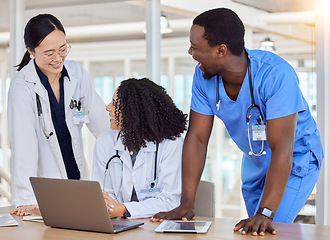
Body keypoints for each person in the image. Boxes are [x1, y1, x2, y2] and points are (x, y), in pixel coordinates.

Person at [151, 8, 323, 236]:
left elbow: (282, 147)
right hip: (254, 157)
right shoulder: (203, 77)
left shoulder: (276, 74)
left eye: (195, 46)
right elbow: (197, 139)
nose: (190, 52)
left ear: (221, 50)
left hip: (295, 157)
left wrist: (266, 212)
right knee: (253, 230)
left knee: (270, 225)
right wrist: (186, 204)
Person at [8, 14, 109, 216]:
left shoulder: (77, 74)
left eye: (63, 49)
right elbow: (24, 147)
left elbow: (102, 123)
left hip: (78, 180)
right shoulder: (22, 87)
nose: (58, 58)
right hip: (44, 189)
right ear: (30, 51)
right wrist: (26, 199)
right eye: (49, 53)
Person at [92, 78, 187, 219]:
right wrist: (112, 207)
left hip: (158, 226)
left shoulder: (171, 144)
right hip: (117, 225)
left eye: (116, 103)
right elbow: (102, 193)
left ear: (135, 111)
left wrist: (124, 209)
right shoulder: (105, 142)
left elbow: (170, 201)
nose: (108, 107)